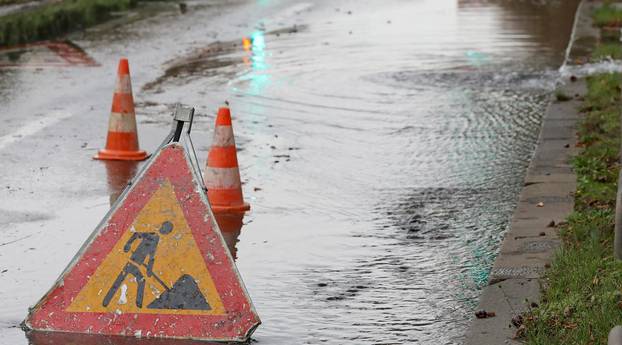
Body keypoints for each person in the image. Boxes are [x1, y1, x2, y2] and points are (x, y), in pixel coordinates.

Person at [102, 221, 174, 308]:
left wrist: (149, 269)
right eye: (167, 229)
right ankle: (109, 301)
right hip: (132, 263)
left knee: (125, 280)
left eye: (168, 231)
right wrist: (127, 245)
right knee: (123, 280)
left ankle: (108, 301)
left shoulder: (156, 238)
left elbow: (151, 256)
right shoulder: (152, 235)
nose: (166, 232)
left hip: (135, 265)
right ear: (163, 227)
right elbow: (136, 234)